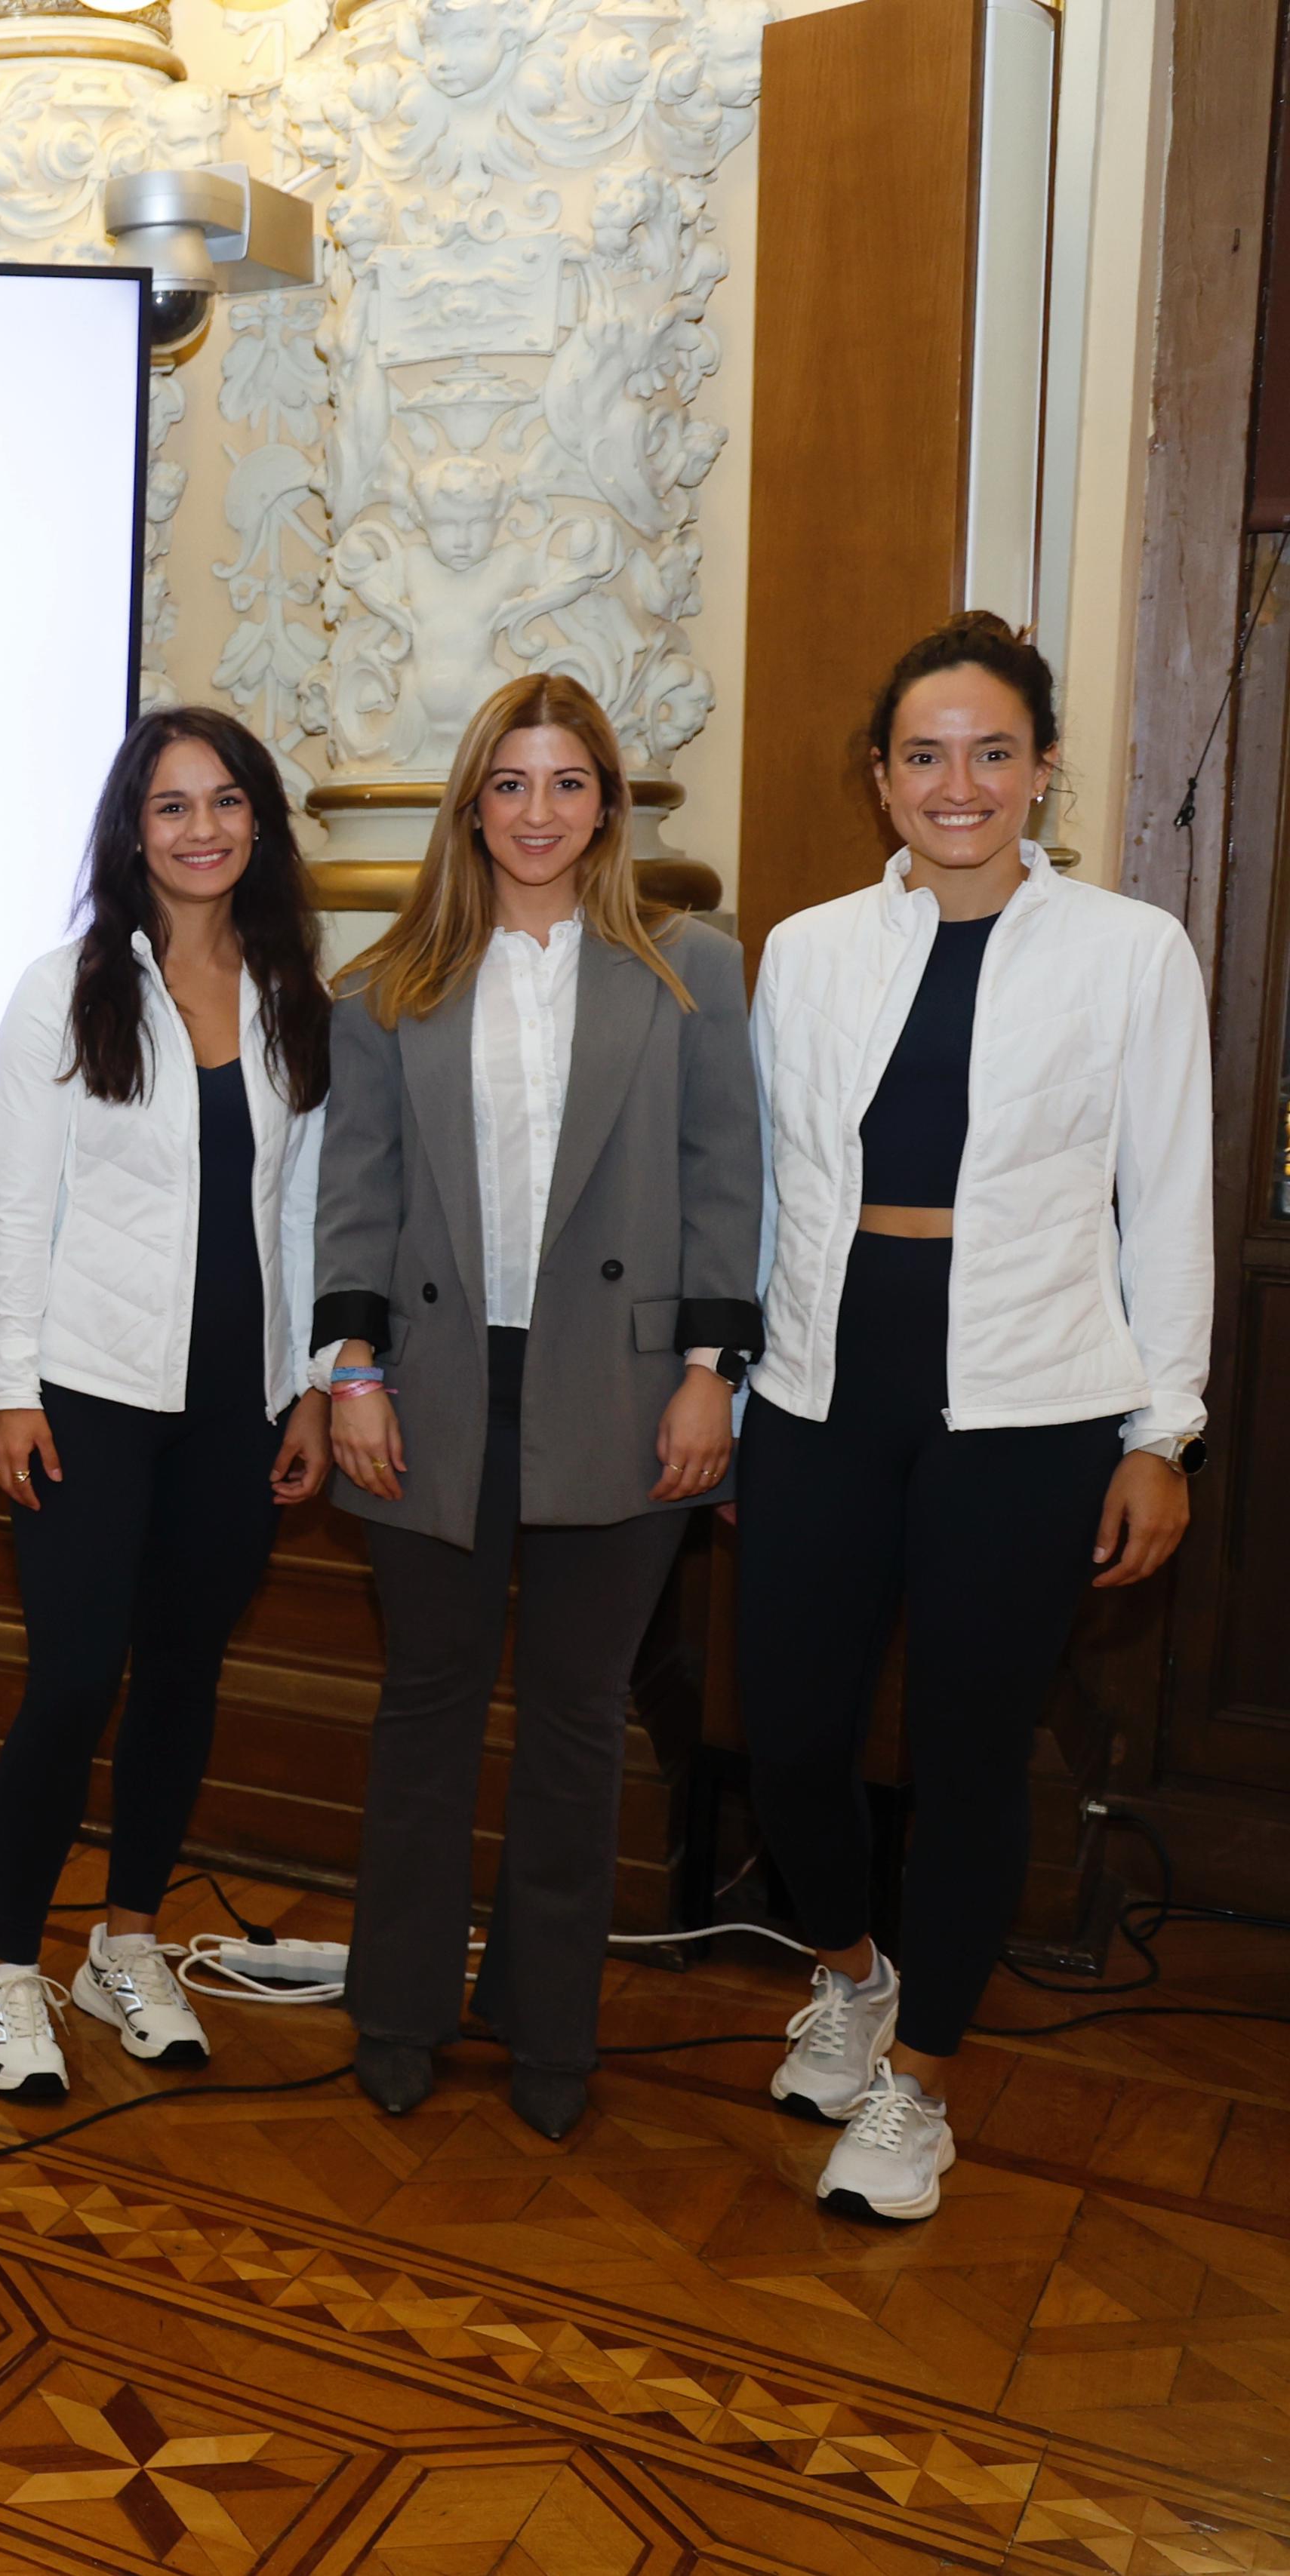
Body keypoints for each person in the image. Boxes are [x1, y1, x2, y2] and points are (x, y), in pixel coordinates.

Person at [739, 613, 1208, 2224]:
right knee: (791, 1733)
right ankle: (853, 1975)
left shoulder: (1130, 951)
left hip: (1031, 1403)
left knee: (966, 1755)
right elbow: (771, 1187)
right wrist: (735, 1377)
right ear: (880, 778)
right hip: (821, 1385)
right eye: (925, 755)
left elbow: (1169, 1197)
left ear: (1042, 769)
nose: (960, 784)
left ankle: (921, 2084)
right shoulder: (806, 950)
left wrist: (1160, 1429)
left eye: (993, 752)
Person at [315, 672, 760, 2141]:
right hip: (427, 1395)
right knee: (424, 1710)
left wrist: (708, 1379)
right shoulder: (385, 985)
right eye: (510, 782)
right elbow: (355, 1194)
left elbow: (726, 1188)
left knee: (578, 1722)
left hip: (624, 1396)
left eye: (568, 782)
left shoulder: (692, 971)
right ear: (471, 805)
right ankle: (398, 2011)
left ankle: (549, 2024)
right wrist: (352, 1374)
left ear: (608, 804)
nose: (538, 811)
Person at [0, 707, 334, 2102]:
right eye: (172, 805)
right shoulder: (64, 990)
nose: (201, 829)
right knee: (74, 1678)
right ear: (134, 829)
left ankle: (126, 1941)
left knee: (185, 1673)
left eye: (226, 801)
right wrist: (12, 1387)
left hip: (238, 1404)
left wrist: (311, 1386)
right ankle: (10, 1972)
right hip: (89, 1391)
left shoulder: (293, 987)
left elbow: (301, 1209)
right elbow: (21, 1207)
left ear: (259, 824)